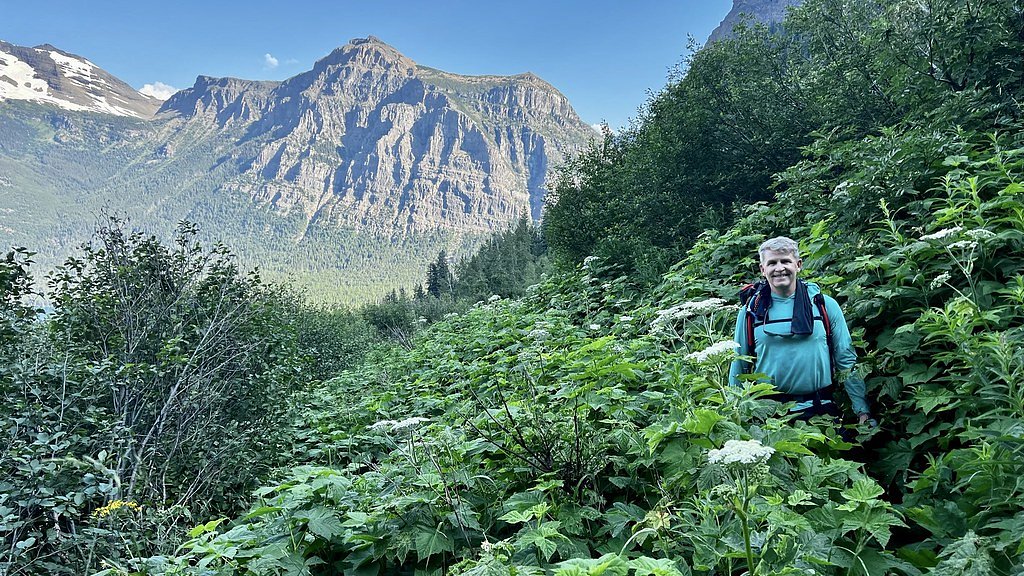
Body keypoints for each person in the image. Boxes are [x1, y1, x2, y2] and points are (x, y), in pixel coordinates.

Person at [729, 236, 872, 424]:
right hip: (767, 416)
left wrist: (862, 411)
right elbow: (738, 363)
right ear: (763, 269)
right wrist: (734, 416)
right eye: (772, 263)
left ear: (798, 265)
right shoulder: (751, 312)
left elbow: (846, 359)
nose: (779, 268)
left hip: (821, 410)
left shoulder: (824, 305)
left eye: (785, 261)